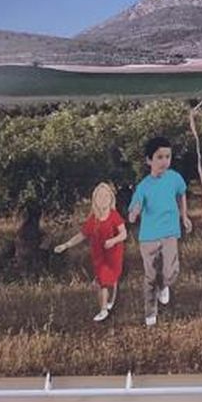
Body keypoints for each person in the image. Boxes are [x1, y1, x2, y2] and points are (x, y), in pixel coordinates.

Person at [127, 137, 192, 328]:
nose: (164, 161)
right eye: (159, 157)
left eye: (167, 157)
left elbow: (181, 194)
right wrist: (134, 213)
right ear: (149, 160)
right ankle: (150, 312)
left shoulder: (174, 178)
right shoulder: (143, 186)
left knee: (170, 271)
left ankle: (164, 285)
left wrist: (184, 216)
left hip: (170, 232)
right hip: (149, 237)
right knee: (150, 276)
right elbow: (134, 209)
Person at [55, 182, 128, 322]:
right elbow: (82, 235)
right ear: (95, 199)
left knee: (112, 280)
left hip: (114, 255)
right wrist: (66, 245)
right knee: (102, 281)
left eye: (106, 196)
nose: (103, 199)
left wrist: (113, 241)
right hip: (99, 256)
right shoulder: (93, 219)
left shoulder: (114, 216)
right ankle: (103, 309)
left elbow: (123, 234)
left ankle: (110, 301)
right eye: (100, 196)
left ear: (111, 199)